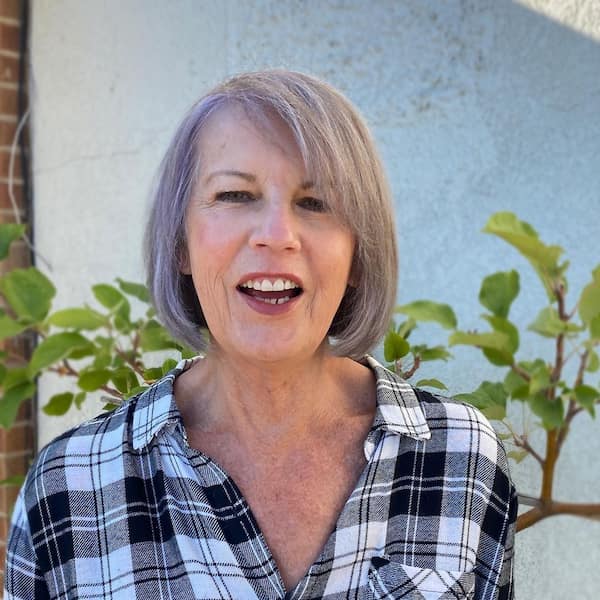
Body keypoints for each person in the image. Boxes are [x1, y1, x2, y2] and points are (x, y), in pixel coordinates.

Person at [5, 70, 516, 600]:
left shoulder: (461, 459)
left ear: (358, 254)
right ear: (180, 243)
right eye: (235, 194)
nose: (276, 235)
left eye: (315, 203)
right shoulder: (70, 489)